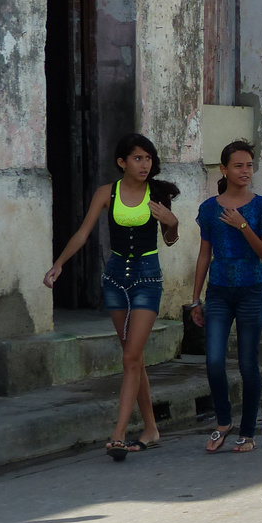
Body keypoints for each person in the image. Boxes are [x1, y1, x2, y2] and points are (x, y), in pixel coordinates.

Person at [44, 134, 180, 459]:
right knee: (133, 357)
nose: (144, 164)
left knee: (131, 358)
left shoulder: (157, 195)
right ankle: (151, 428)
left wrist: (173, 224)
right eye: (137, 158)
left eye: (148, 158)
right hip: (115, 280)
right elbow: (83, 231)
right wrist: (59, 264)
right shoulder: (108, 193)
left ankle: (118, 434)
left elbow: (170, 239)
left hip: (148, 279)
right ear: (122, 162)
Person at [191, 141, 262, 454]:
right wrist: (195, 299)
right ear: (224, 169)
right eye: (238, 166)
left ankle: (247, 432)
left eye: (249, 166)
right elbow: (205, 254)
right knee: (214, 360)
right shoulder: (209, 209)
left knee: (247, 364)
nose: (245, 171)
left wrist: (243, 225)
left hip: (252, 291)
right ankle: (223, 422)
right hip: (217, 291)